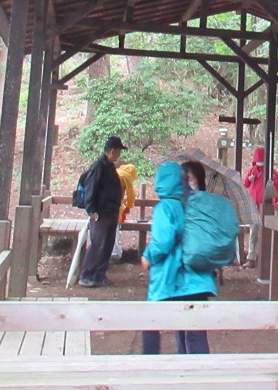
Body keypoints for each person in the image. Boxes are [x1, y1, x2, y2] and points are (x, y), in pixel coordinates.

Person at [141, 160, 216, 354]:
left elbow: (164, 240)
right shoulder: (197, 203)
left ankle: (148, 366)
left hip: (171, 277)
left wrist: (148, 256)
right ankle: (197, 373)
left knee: (150, 322)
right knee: (194, 330)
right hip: (198, 276)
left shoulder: (166, 207)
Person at [78, 135, 127, 288]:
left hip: (111, 211)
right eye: (118, 151)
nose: (119, 155)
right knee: (97, 243)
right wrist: (91, 209)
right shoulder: (98, 166)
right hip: (101, 212)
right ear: (112, 151)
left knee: (107, 244)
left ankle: (99, 274)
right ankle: (87, 275)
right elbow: (91, 189)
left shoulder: (110, 166)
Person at [241, 147, 278, 268]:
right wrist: (250, 179)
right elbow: (245, 183)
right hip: (254, 205)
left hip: (267, 206)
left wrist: (275, 179)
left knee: (267, 231)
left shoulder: (272, 172)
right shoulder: (252, 171)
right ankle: (251, 257)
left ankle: (267, 257)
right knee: (253, 231)